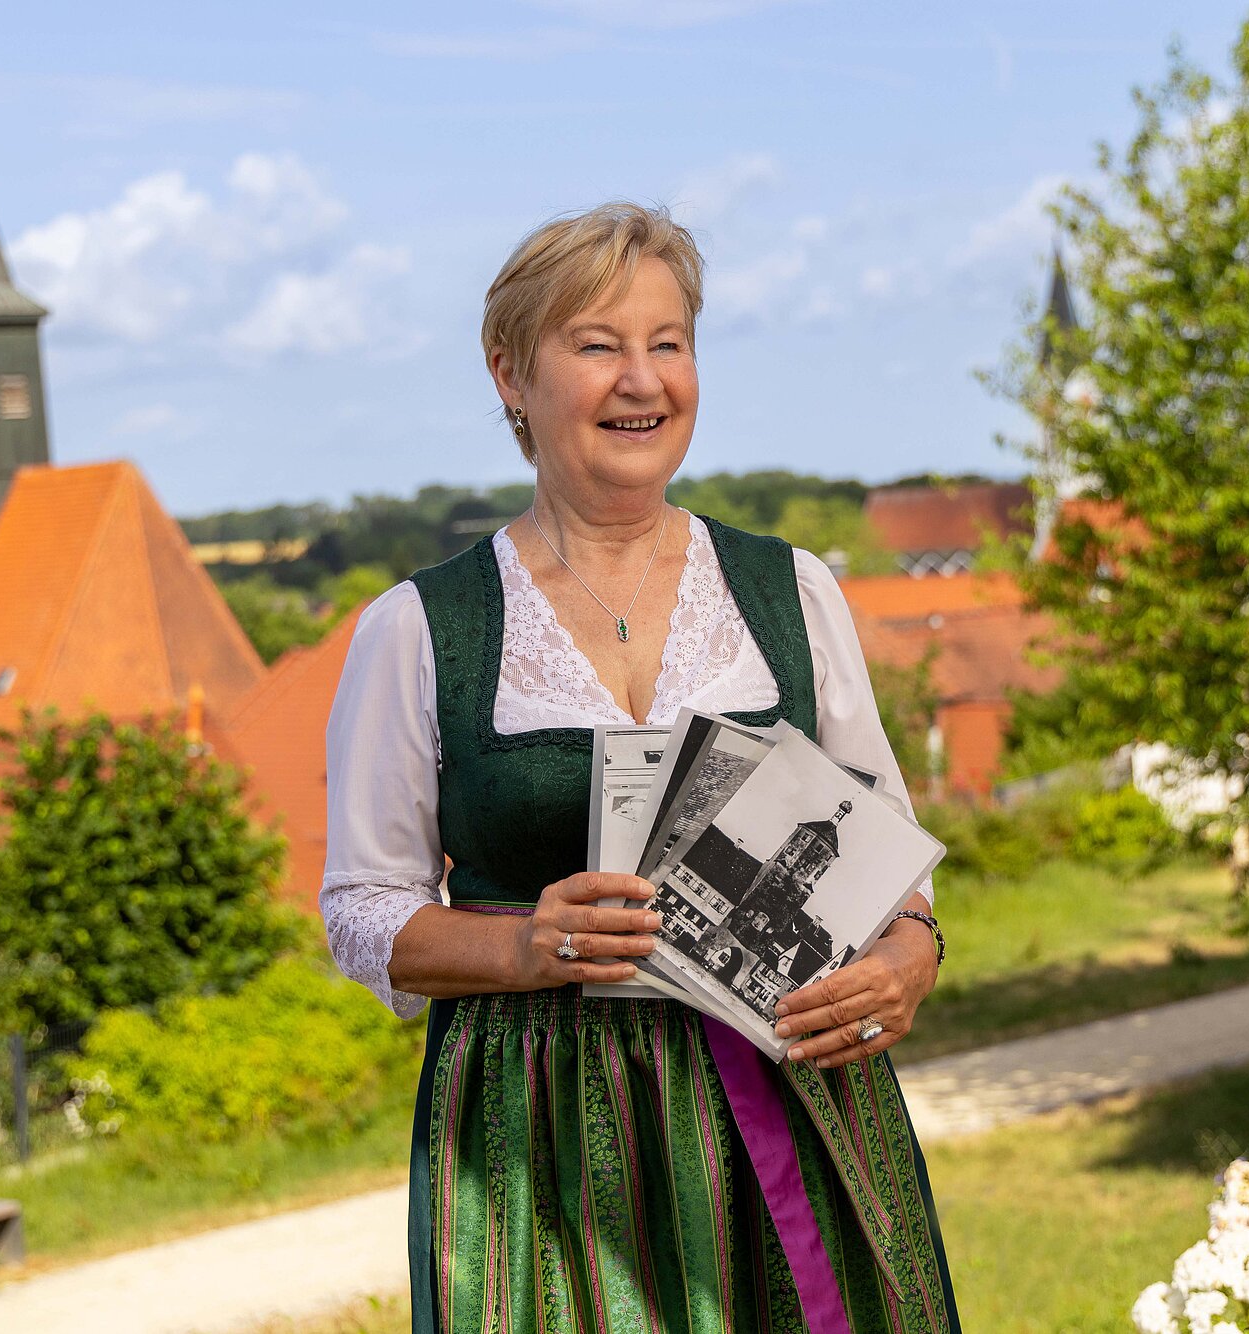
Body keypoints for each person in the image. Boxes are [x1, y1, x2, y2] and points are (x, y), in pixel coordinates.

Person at [321, 200, 961, 1334]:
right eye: (597, 344)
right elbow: (365, 914)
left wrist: (910, 952)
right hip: (546, 1133)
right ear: (510, 374)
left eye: (668, 343)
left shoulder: (790, 588)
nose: (642, 379)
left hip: (795, 1098)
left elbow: (887, 853)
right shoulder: (424, 627)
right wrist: (525, 943)